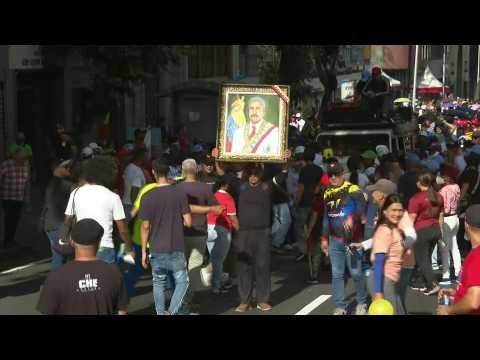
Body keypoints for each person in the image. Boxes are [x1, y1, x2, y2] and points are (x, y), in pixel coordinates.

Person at [232, 158, 290, 313]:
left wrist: (287, 158)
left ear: (261, 173)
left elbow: (283, 173)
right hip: (244, 232)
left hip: (263, 233)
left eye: (256, 173)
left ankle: (262, 300)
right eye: (250, 173)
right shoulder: (241, 187)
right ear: (246, 173)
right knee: (244, 267)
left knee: (263, 266)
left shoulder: (267, 187)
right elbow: (223, 175)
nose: (253, 176)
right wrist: (217, 159)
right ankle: (245, 301)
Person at [37, 219, 129, 315]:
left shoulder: (56, 277)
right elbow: (122, 312)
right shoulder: (114, 273)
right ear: (99, 242)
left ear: (72, 242)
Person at [139, 160, 192, 315]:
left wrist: (143, 251)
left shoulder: (147, 196)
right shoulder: (179, 193)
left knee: (158, 282)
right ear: (168, 173)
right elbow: (188, 222)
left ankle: (161, 312)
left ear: (154, 173)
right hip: (176, 245)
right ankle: (171, 311)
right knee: (182, 281)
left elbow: (145, 226)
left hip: (156, 247)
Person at [64, 156, 135, 264]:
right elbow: (123, 229)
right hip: (104, 246)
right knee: (106, 280)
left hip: (82, 246)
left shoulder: (76, 193)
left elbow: (68, 220)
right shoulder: (113, 197)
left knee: (85, 279)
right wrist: (129, 248)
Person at [176, 158, 224, 314]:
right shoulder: (204, 188)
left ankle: (181, 300)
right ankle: (188, 300)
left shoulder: (177, 188)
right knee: (194, 268)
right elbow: (217, 207)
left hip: (180, 232)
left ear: (183, 171)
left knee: (181, 268)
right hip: (199, 232)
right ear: (196, 170)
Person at [320, 161, 368, 315]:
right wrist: (324, 238)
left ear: (342, 174)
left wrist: (352, 217)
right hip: (335, 240)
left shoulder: (352, 188)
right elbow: (326, 218)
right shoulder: (327, 192)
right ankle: (340, 306)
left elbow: (361, 207)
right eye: (331, 175)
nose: (333, 177)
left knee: (355, 272)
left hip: (353, 240)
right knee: (337, 274)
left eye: (337, 174)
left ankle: (362, 302)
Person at [437, 204, 480, 315]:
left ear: (466, 225)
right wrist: (455, 293)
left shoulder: (477, 256)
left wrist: (448, 311)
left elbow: (473, 301)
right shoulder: (475, 253)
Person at [368, 194, 407, 315]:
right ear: (385, 212)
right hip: (383, 281)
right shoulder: (385, 230)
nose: (397, 214)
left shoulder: (394, 229)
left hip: (390, 280)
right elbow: (379, 262)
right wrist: (378, 292)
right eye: (393, 210)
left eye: (400, 210)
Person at [408, 172, 444, 296]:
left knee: (422, 259)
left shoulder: (416, 198)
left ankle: (433, 284)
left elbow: (411, 219)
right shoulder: (439, 196)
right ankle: (424, 283)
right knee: (427, 257)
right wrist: (441, 232)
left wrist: (406, 234)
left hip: (422, 230)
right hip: (435, 229)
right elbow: (441, 216)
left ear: (419, 183)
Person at [204, 178, 240, 294]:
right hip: (222, 230)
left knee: (214, 258)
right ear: (226, 185)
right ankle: (217, 286)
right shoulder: (228, 198)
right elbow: (233, 218)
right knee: (219, 260)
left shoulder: (212, 196)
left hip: (209, 228)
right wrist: (240, 231)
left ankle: (213, 281)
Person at [41, 160, 76, 271]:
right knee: (61, 256)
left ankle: (59, 283)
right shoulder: (68, 186)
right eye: (69, 168)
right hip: (60, 227)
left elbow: (46, 205)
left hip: (50, 225)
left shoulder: (51, 183)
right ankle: (56, 284)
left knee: (59, 254)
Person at [294, 148, 323, 261]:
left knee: (301, 227)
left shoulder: (303, 170)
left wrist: (296, 201)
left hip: (304, 202)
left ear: (304, 158)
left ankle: (304, 251)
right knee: (314, 228)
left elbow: (301, 188)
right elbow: (320, 185)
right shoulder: (319, 170)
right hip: (315, 201)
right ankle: (315, 250)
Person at [0, 148, 31, 248]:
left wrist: (27, 199)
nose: (23, 160)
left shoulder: (26, 166)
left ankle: (11, 239)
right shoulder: (6, 165)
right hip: (7, 197)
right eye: (21, 158)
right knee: (9, 219)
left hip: (19, 198)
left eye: (25, 158)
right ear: (15, 157)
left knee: (15, 219)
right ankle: (7, 241)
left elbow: (27, 183)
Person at [437, 171, 462, 284]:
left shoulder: (444, 190)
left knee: (445, 248)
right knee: (454, 246)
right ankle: (458, 273)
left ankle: (446, 275)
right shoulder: (456, 187)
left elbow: (445, 209)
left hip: (447, 219)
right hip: (455, 217)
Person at [122, 148, 148, 222]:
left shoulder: (128, 167)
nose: (147, 158)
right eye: (146, 156)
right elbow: (134, 189)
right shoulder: (137, 171)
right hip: (132, 206)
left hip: (125, 203)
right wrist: (136, 207)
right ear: (141, 157)